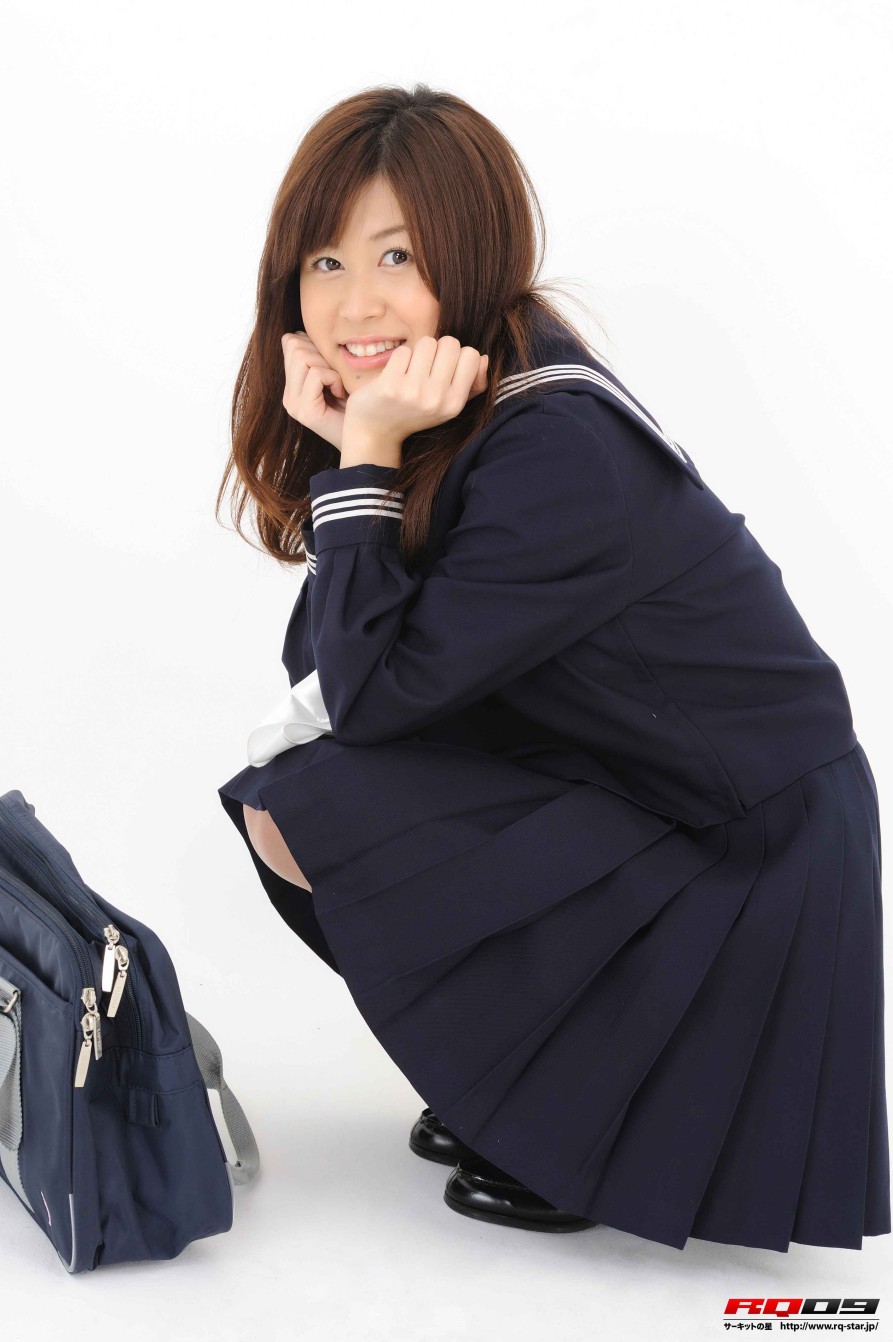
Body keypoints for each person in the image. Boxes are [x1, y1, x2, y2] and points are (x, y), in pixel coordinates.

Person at [215, 82, 890, 1251]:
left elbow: (363, 702)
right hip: (642, 790)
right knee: (294, 798)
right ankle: (532, 1095)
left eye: (395, 255)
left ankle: (572, 1127)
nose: (354, 302)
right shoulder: (457, 394)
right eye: (324, 262)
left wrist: (362, 452)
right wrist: (357, 453)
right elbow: (330, 668)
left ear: (471, 252)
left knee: (319, 802)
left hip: (746, 850)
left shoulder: (552, 440)